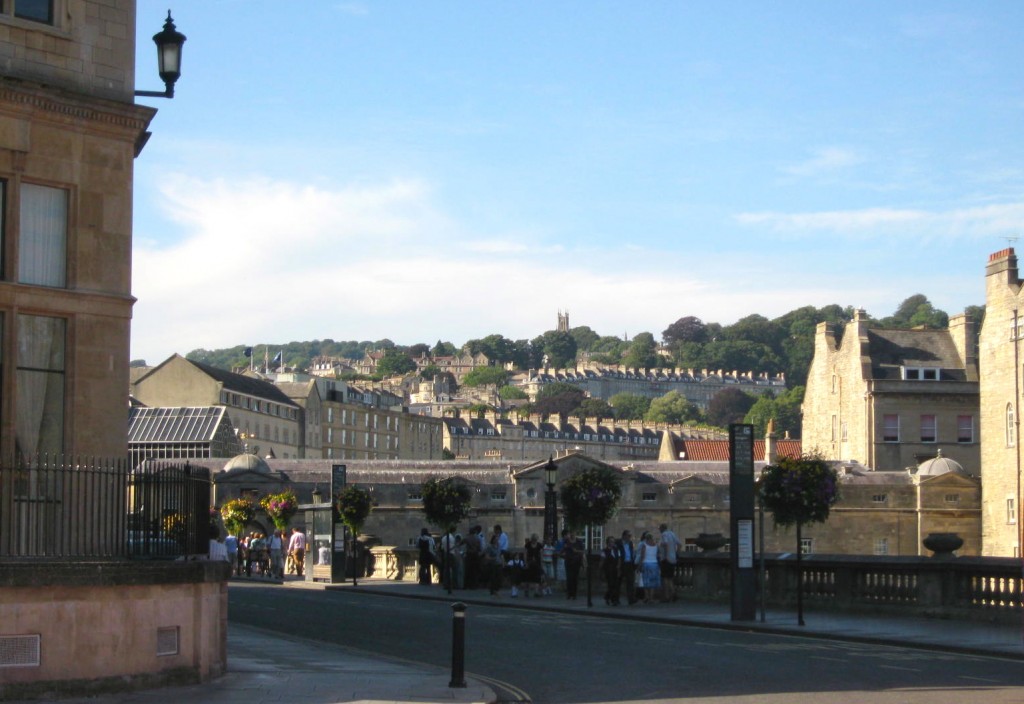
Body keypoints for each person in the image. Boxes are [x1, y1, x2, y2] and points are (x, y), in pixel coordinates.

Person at [658, 523, 682, 603]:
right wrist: (677, 554)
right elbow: (679, 544)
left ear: (662, 528)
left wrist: (666, 556)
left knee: (665, 578)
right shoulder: (672, 534)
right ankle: (673, 594)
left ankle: (667, 596)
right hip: (673, 559)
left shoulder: (664, 535)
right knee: (670, 578)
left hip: (666, 559)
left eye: (659, 528)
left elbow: (665, 544)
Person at [638, 531, 661, 603]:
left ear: (646, 538)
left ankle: (647, 596)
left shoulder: (644, 545)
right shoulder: (656, 545)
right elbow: (658, 555)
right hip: (654, 564)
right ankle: (651, 597)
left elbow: (642, 556)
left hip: (646, 564)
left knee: (646, 581)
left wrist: (639, 565)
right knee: (653, 581)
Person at [560, 531, 584, 600]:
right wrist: (563, 553)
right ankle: (569, 594)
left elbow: (582, 551)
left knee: (575, 578)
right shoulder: (567, 541)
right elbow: (562, 551)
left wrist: (576, 551)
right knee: (569, 578)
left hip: (576, 561)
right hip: (568, 561)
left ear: (575, 534)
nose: (572, 535)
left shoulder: (579, 542)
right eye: (571, 533)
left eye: (573, 533)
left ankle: (574, 594)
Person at [617, 529, 638, 605]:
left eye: (630, 536)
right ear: (624, 536)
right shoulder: (618, 543)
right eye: (629, 536)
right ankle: (616, 599)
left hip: (629, 564)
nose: (630, 537)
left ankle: (631, 599)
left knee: (630, 582)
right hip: (622, 564)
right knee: (618, 582)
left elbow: (632, 553)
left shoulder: (630, 543)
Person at [601, 536, 622, 605]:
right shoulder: (604, 551)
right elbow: (602, 561)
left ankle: (608, 597)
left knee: (616, 585)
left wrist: (618, 566)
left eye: (613, 542)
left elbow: (619, 558)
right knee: (611, 585)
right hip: (608, 570)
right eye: (611, 541)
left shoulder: (616, 550)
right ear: (608, 542)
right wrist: (601, 570)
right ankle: (613, 599)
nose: (612, 543)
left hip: (615, 569)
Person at [482, 531, 504, 596]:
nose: (497, 540)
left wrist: (503, 562)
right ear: (493, 540)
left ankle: (497, 590)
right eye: (496, 539)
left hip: (499, 564)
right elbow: (486, 556)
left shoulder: (499, 546)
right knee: (493, 578)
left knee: (499, 578)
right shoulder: (490, 547)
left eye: (498, 539)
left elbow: (500, 555)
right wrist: (492, 558)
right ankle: (493, 590)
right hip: (493, 564)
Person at [463, 525, 483, 589]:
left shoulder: (467, 538)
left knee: (467, 570)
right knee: (474, 570)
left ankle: (466, 585)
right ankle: (474, 585)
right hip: (475, 555)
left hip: (469, 555)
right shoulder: (477, 538)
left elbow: (461, 543)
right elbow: (479, 548)